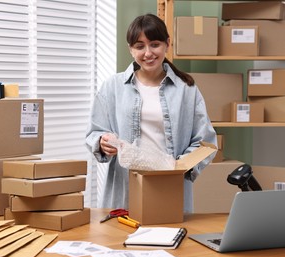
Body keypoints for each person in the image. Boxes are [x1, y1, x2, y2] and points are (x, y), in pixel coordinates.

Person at [86, 13, 217, 212]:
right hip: (125, 189)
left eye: (154, 44)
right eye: (140, 46)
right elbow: (94, 133)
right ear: (131, 49)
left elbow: (204, 140)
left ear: (167, 44)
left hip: (169, 187)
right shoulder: (112, 87)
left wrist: (179, 166)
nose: (148, 53)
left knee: (171, 240)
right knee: (120, 239)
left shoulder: (186, 90)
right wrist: (102, 142)